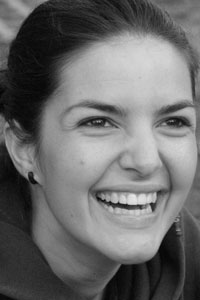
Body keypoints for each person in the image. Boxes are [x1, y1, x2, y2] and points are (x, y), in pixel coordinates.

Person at [0, 0, 200, 299]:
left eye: (173, 121)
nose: (145, 161)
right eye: (99, 122)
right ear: (23, 148)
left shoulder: (189, 262)